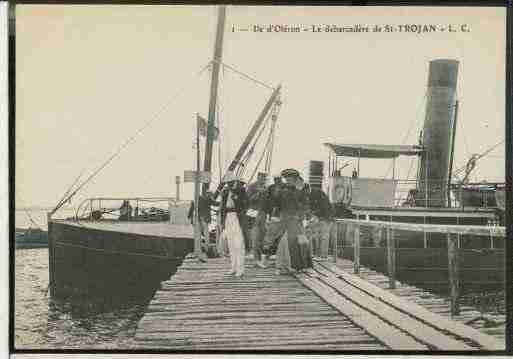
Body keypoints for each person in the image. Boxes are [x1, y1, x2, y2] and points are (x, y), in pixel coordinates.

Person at [261, 169, 311, 273]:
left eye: (290, 179)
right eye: (286, 179)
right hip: (283, 219)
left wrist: (302, 216)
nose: (288, 181)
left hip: (295, 220)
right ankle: (283, 266)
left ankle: (299, 266)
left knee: (299, 241)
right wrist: (274, 216)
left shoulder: (301, 190)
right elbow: (276, 203)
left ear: (295, 179)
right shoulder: (281, 190)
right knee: (283, 241)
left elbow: (304, 204)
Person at [219, 171, 248, 277]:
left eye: (230, 182)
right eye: (227, 182)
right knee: (231, 243)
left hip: (237, 217)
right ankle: (233, 267)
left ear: (234, 181)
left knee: (238, 243)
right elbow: (222, 207)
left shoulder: (241, 190)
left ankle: (240, 268)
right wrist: (222, 221)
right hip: (228, 217)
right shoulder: (225, 191)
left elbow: (245, 204)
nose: (229, 184)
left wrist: (237, 198)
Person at [301, 178, 333, 261]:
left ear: (308, 189)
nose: (305, 195)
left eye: (305, 192)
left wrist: (315, 215)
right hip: (318, 217)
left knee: (324, 236)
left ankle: (323, 256)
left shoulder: (318, 193)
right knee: (316, 235)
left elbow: (325, 207)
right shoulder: (308, 195)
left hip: (326, 217)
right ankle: (316, 254)